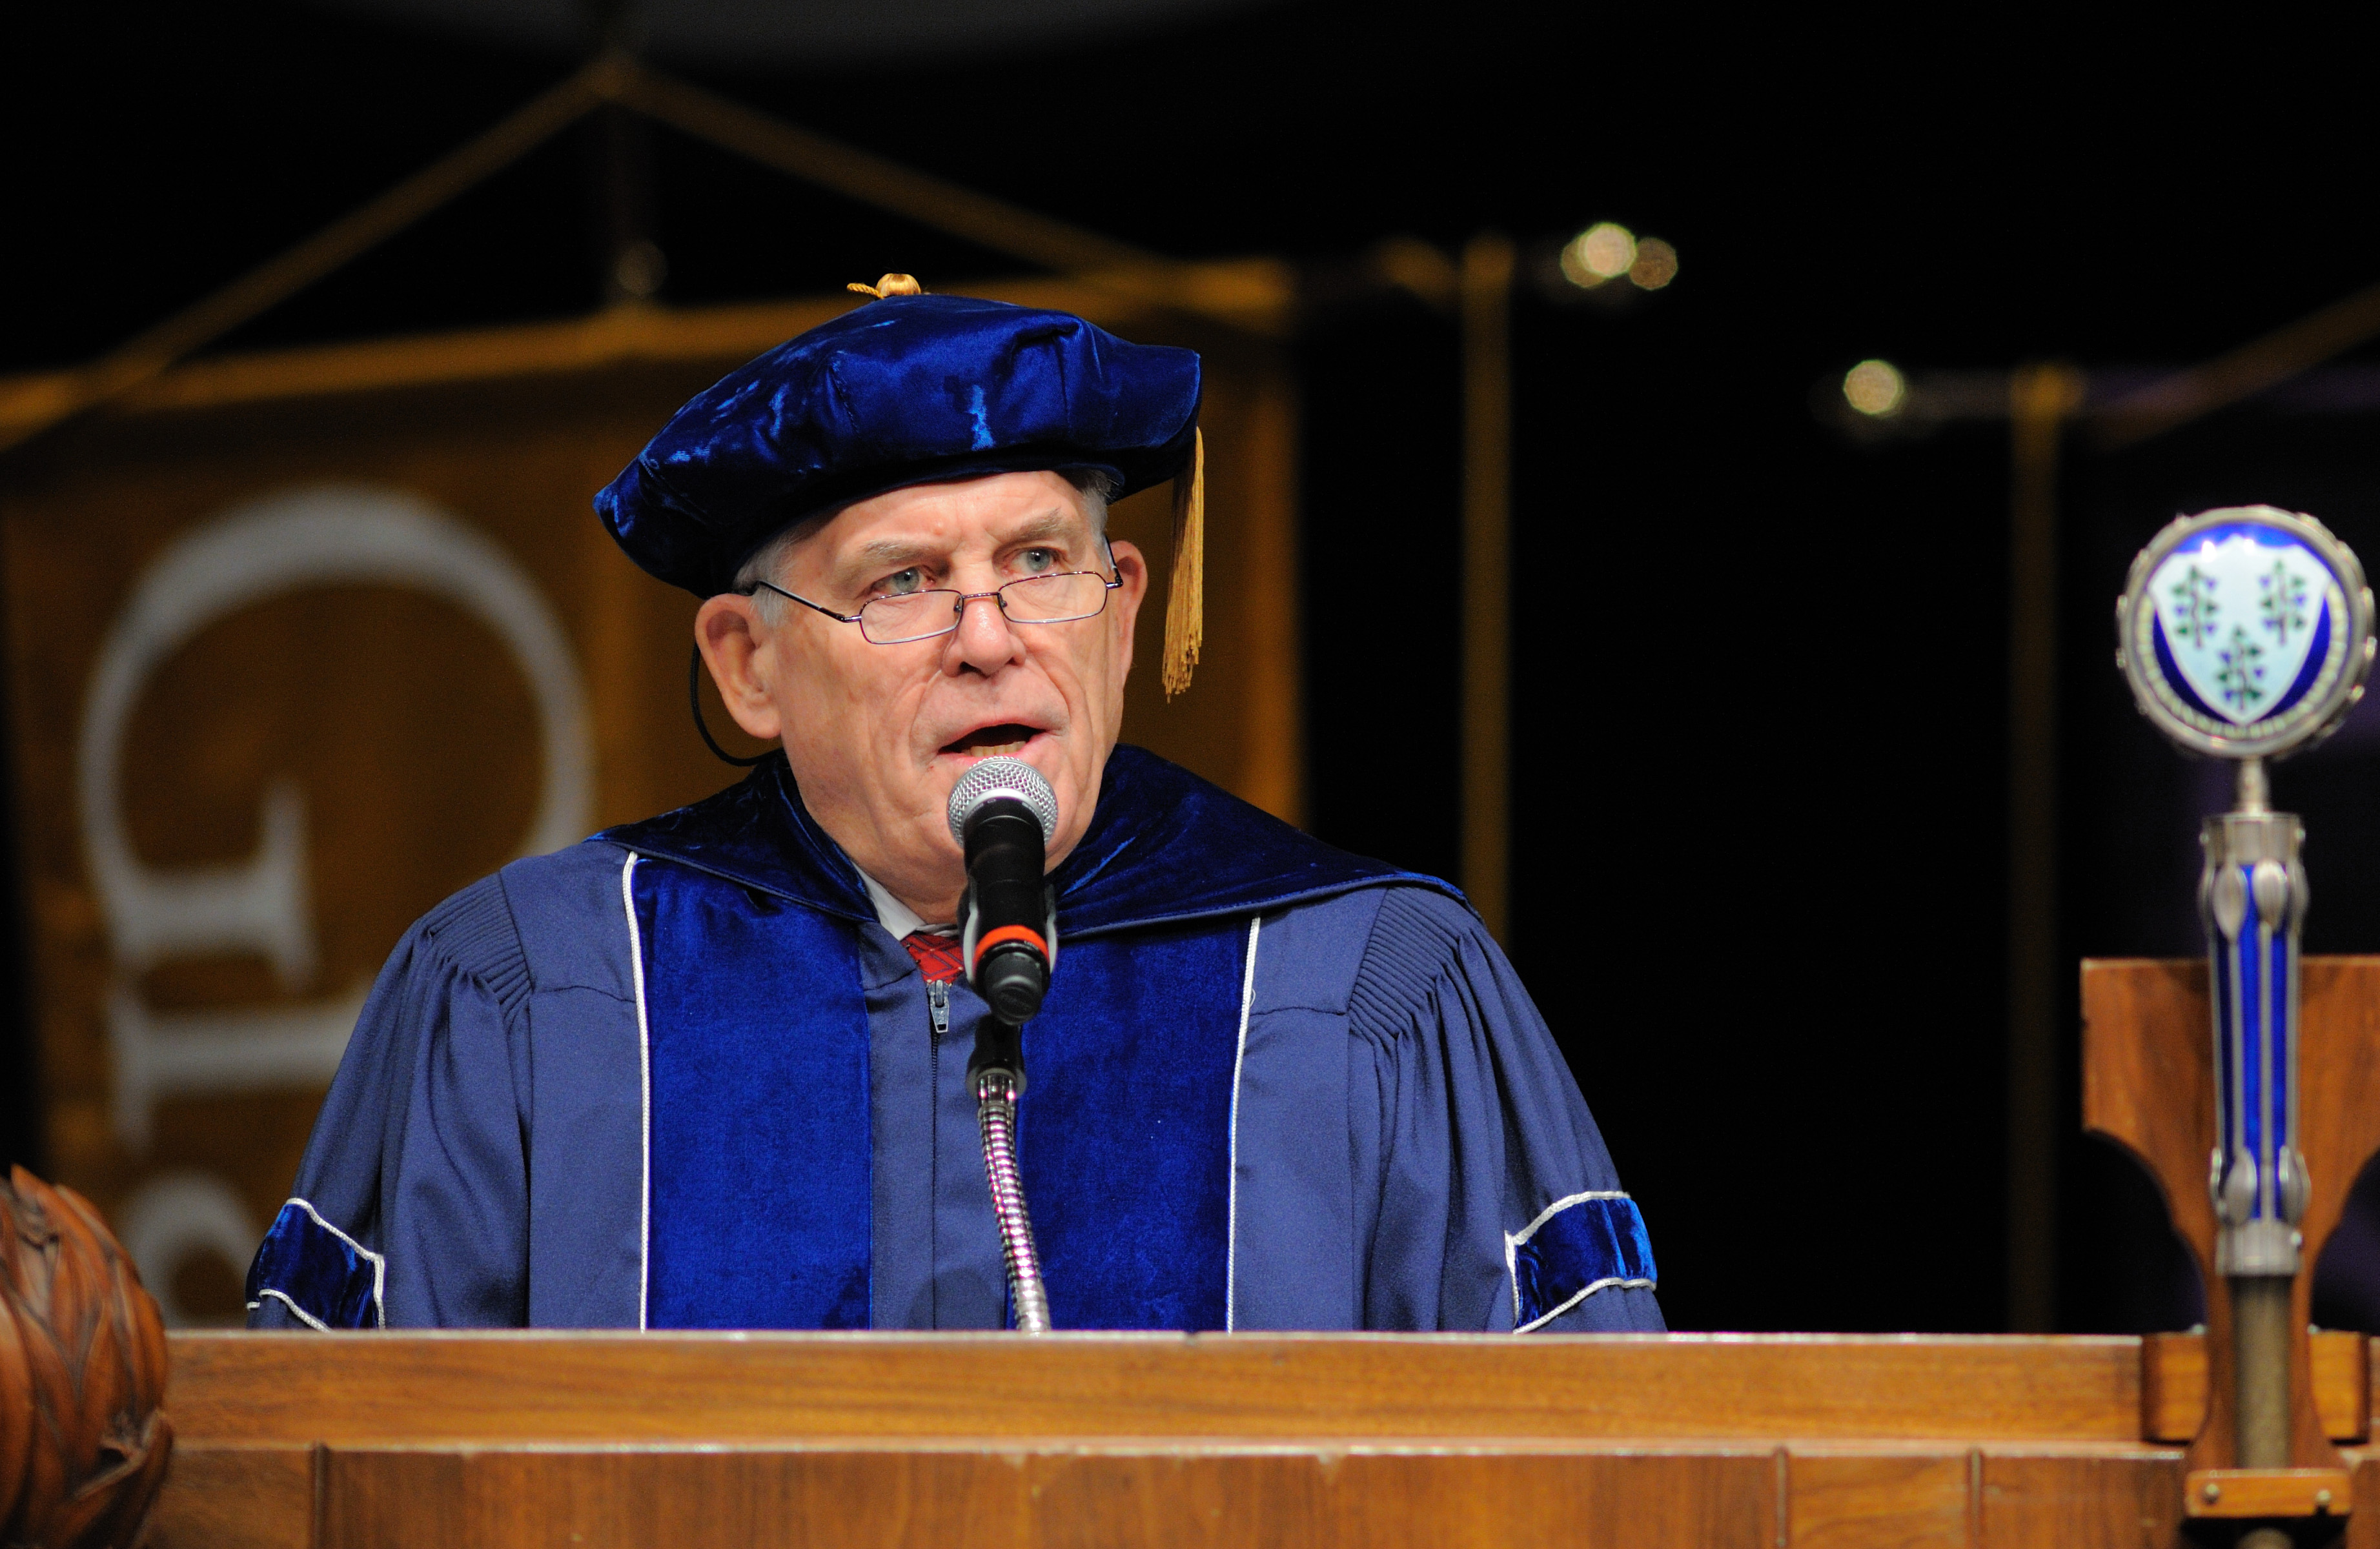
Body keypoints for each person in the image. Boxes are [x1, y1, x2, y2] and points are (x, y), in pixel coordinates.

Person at [245, 279, 1660, 1335]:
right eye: (903, 582)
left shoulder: (1368, 981)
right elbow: (350, 1515)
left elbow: (1579, 1489)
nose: (990, 638)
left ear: (1121, 618)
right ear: (749, 668)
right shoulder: (527, 989)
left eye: (1042, 560)